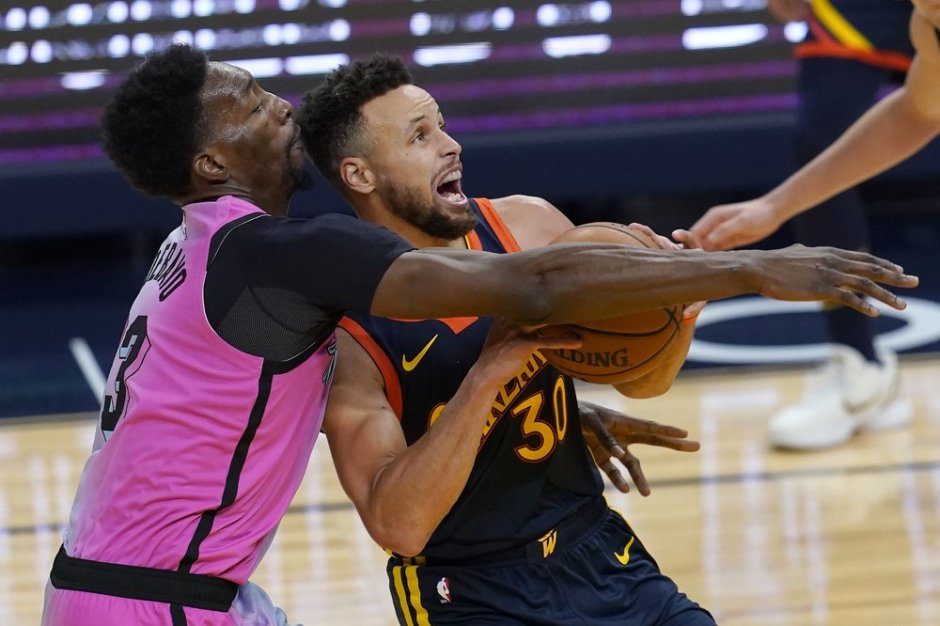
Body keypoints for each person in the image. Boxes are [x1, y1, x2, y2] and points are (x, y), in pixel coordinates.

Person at [41, 44, 917, 626]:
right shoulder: (289, 259)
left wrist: (565, 406)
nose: (279, 104)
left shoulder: (197, 246)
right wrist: (754, 269)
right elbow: (533, 289)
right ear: (209, 164)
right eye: (247, 102)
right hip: (160, 601)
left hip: (165, 585)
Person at [294, 55, 901, 625]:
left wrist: (676, 317)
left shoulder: (530, 226)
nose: (451, 145)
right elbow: (399, 527)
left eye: (443, 126)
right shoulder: (352, 333)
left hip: (599, 549)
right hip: (472, 592)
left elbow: (645, 381)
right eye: (419, 136)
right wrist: (486, 379)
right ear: (360, 174)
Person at [688, 0, 936, 450]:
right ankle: (859, 363)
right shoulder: (929, 21)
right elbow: (919, 112)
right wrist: (774, 207)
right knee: (820, 136)